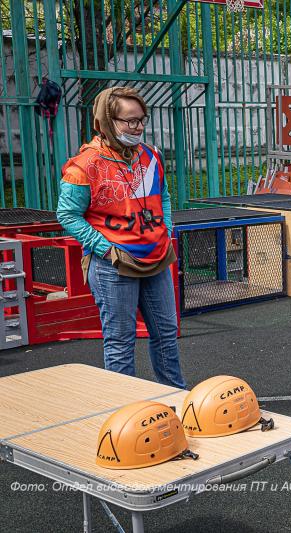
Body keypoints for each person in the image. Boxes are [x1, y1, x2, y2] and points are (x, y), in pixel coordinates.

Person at [56, 87, 185, 389]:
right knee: (120, 341)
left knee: (166, 333)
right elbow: (67, 215)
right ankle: (123, 410)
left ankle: (177, 398)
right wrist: (106, 248)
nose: (137, 127)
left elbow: (162, 196)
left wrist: (164, 232)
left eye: (141, 120)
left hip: (155, 256)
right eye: (129, 121)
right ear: (105, 121)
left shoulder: (151, 156)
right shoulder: (84, 166)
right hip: (114, 265)